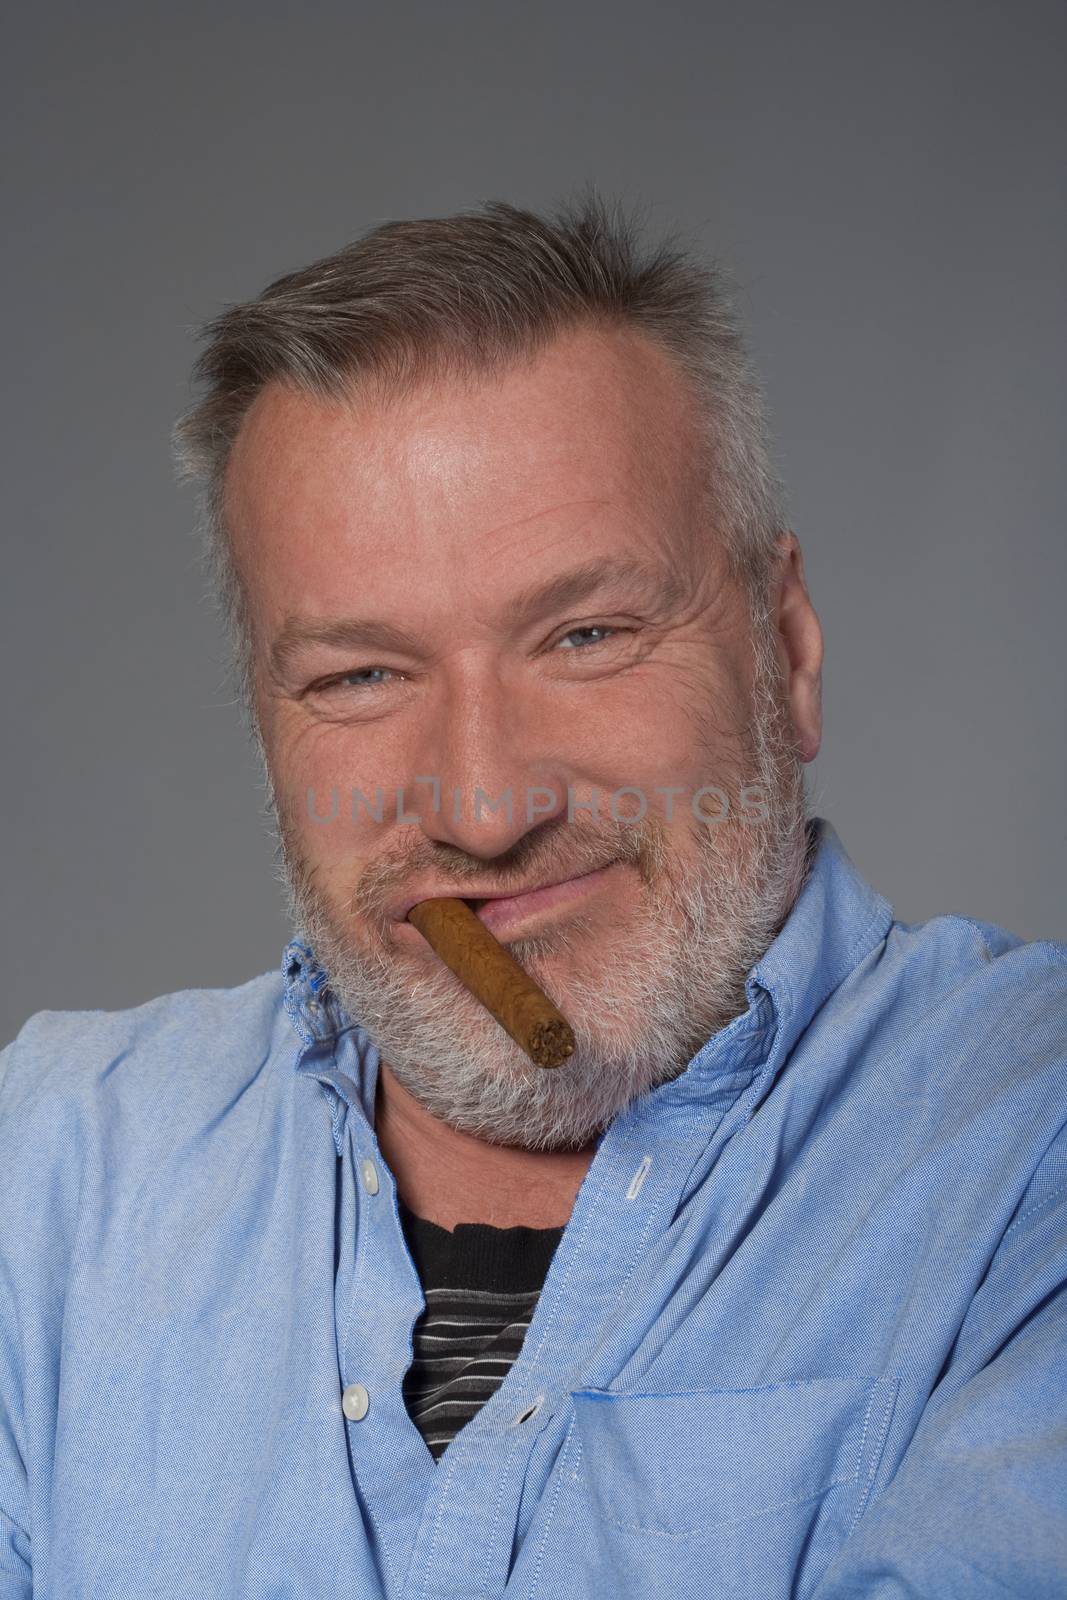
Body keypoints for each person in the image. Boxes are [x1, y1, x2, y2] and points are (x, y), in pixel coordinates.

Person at [1, 192, 1064, 1600]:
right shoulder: (51, 1174)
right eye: (361, 676)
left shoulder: (1029, 1139)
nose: (487, 812)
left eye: (586, 634)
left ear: (786, 649)